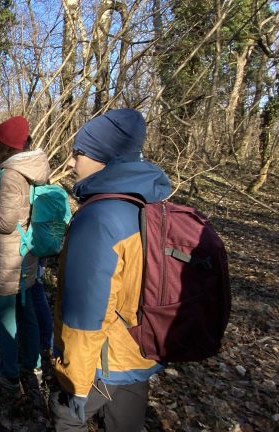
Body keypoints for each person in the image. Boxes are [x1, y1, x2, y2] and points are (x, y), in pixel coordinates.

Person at [52, 109, 171, 431]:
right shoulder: (147, 204)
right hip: (139, 353)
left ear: (104, 157)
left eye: (79, 153)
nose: (72, 163)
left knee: (68, 419)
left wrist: (75, 383)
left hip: (103, 362)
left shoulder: (99, 218)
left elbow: (87, 315)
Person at [0, 116, 51, 392]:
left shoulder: (11, 174)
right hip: (26, 254)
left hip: (7, 259)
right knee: (26, 312)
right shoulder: (32, 169)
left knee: (6, 316)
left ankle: (9, 373)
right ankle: (33, 363)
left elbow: (5, 224)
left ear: (5, 148)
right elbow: (15, 213)